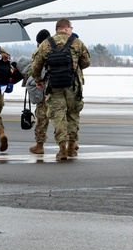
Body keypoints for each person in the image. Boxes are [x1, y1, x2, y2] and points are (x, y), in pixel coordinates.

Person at [29, 18, 90, 162]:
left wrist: (38, 80)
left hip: (54, 86)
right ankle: (72, 147)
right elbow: (86, 62)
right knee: (73, 115)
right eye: (71, 28)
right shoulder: (77, 43)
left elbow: (35, 66)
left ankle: (62, 148)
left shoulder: (45, 44)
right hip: (73, 86)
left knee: (58, 117)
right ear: (67, 28)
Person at [25, 29, 52, 154]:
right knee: (61, 117)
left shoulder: (40, 51)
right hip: (61, 88)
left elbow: (35, 70)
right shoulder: (60, 48)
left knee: (42, 117)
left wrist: (36, 81)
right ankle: (70, 145)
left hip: (45, 89)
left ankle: (39, 145)